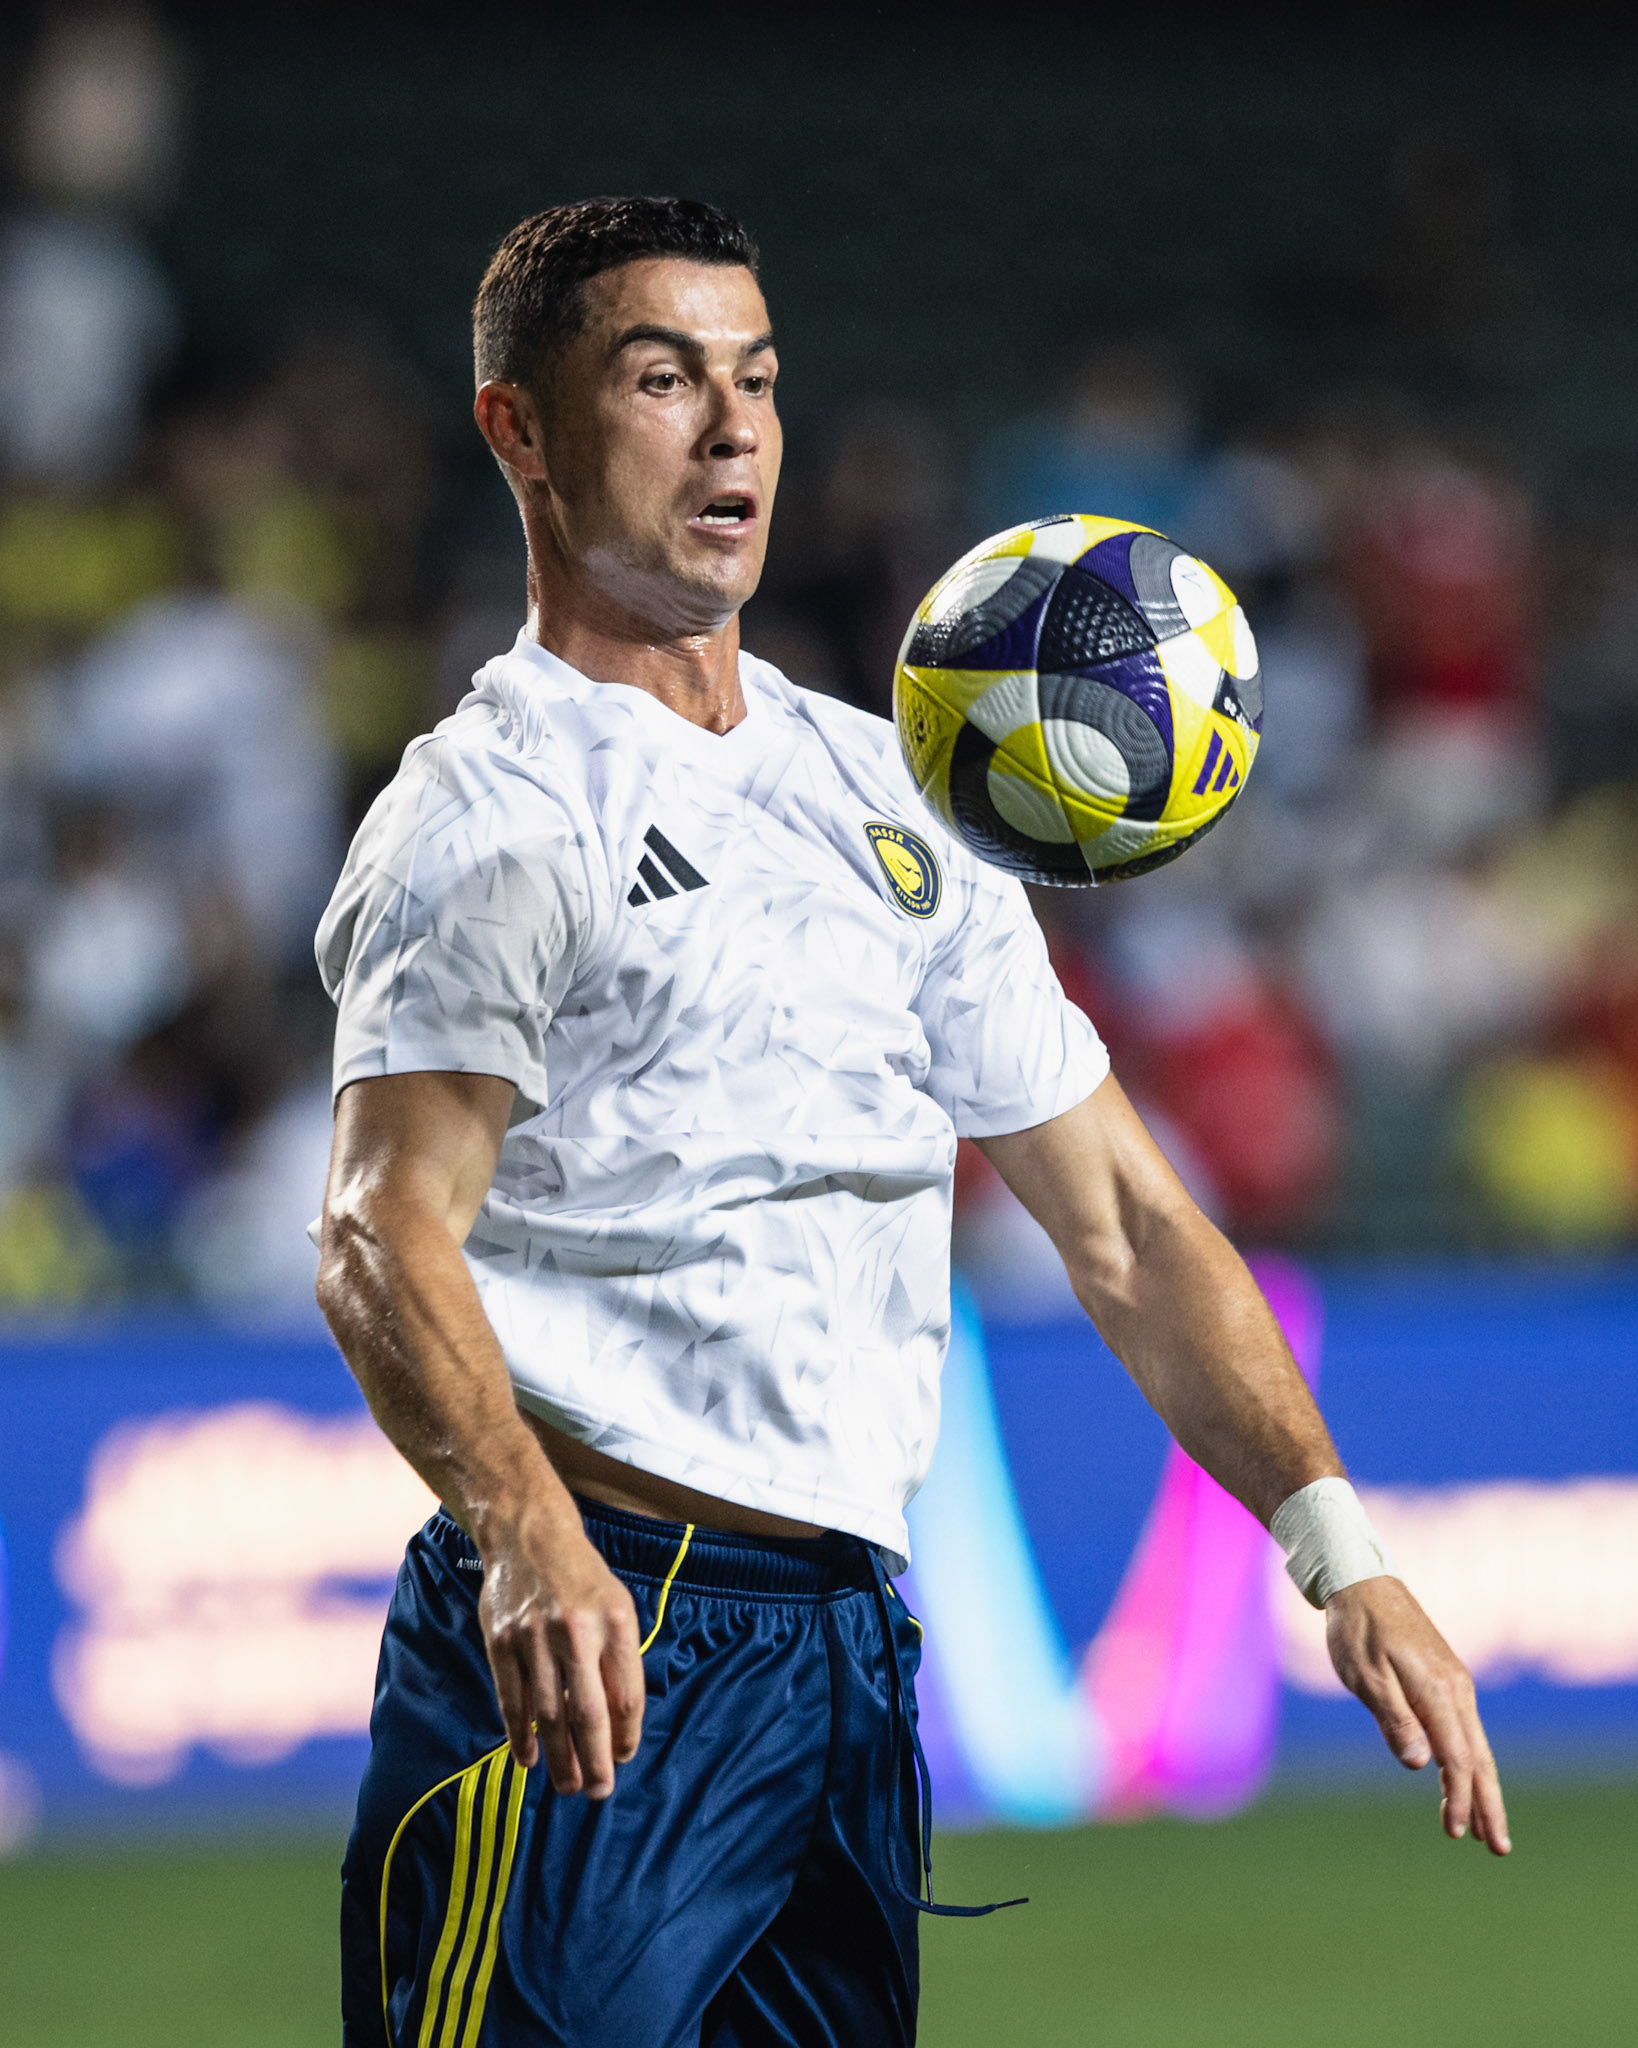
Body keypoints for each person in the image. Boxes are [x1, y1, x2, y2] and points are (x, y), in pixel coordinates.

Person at [315, 197, 1508, 2048]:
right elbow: (378, 1229)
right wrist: (525, 1538)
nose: (731, 431)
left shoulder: (886, 787)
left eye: (758, 382)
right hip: (604, 1624)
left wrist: (1338, 1553)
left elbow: (1117, 1218)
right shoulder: (496, 813)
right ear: (519, 432)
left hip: (847, 1654)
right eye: (661, 379)